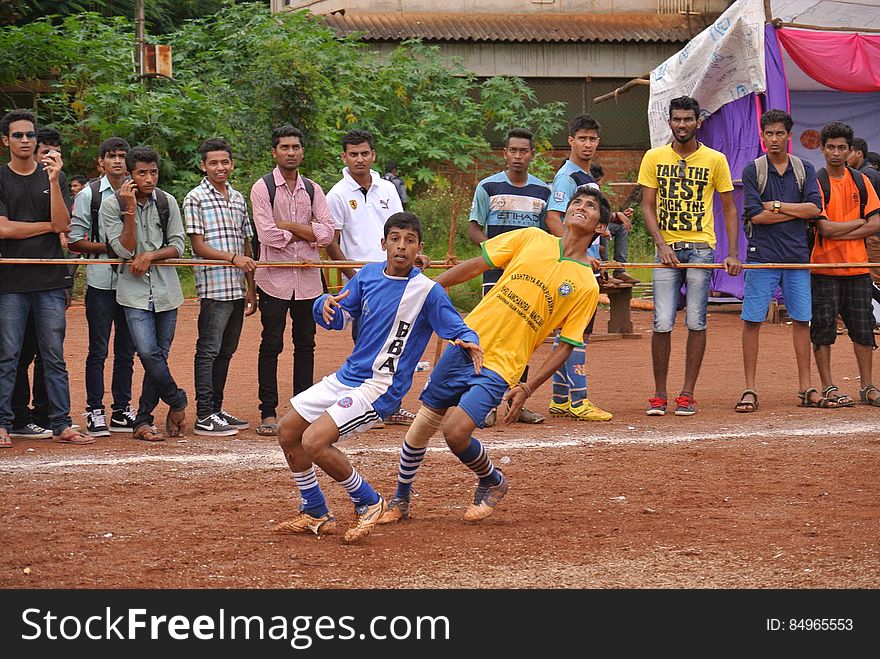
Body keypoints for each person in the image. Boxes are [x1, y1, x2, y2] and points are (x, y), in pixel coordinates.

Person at [379, 186, 608, 525]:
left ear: (600, 227)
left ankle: (491, 479)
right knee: (424, 424)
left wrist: (528, 388)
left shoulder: (586, 284)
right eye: (577, 202)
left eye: (590, 206)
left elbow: (565, 346)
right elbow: (477, 265)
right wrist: (426, 288)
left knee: (456, 432)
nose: (581, 207)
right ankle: (400, 499)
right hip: (467, 342)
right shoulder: (532, 238)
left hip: (503, 364)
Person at [272, 212, 481, 543]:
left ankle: (368, 501)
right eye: (395, 239)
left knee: (314, 441)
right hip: (348, 376)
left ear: (419, 248)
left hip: (380, 387)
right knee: (288, 431)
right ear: (383, 244)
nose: (401, 247)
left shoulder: (427, 291)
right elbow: (338, 316)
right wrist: (323, 305)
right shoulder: (367, 275)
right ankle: (314, 510)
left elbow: (458, 328)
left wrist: (470, 340)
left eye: (409, 241)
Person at [638, 95, 742, 417]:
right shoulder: (654, 157)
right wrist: (661, 245)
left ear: (698, 122)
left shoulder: (715, 160)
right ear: (669, 122)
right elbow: (647, 206)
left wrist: (733, 253)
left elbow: (728, 207)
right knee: (662, 321)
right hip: (666, 250)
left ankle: (687, 394)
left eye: (688, 119)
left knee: (696, 321)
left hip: (700, 248)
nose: (682, 125)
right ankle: (659, 394)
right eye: (676, 119)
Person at [0, 110, 91, 447]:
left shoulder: (55, 177)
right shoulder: (0, 178)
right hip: (9, 283)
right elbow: (3, 228)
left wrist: (53, 182)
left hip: (50, 281)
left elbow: (64, 224)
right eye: (18, 135)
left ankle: (62, 423)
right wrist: (46, 227)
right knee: (8, 355)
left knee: (53, 355)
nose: (25, 140)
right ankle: (3, 423)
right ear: (6, 141)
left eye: (30, 135)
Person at [326, 129, 419, 427]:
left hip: (396, 277)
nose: (359, 159)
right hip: (362, 280)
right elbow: (332, 242)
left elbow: (402, 229)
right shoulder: (337, 194)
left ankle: (391, 406)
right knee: (366, 344)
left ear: (373, 155)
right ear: (344, 157)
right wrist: (357, 278)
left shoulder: (388, 189)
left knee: (397, 343)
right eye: (353, 154)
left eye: (364, 153)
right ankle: (362, 405)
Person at [251, 125, 335, 438]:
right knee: (271, 343)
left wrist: (288, 225)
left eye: (296, 147)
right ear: (274, 152)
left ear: (302, 151)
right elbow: (267, 236)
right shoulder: (262, 188)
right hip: (274, 278)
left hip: (309, 280)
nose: (291, 152)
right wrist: (305, 230)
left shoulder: (313, 189)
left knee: (306, 344)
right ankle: (268, 411)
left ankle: (304, 410)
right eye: (284, 147)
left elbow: (327, 234)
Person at [737, 109, 823, 412]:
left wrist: (775, 205)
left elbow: (815, 209)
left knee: (802, 321)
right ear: (762, 137)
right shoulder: (754, 170)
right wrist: (793, 210)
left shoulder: (804, 168)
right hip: (762, 257)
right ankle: (749, 388)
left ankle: (805, 386)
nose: (773, 139)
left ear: (789, 135)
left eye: (779, 133)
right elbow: (754, 216)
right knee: (752, 321)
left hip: (797, 257)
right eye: (768, 134)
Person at [101, 146, 188, 442]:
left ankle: (143, 420)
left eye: (153, 172)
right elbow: (124, 250)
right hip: (134, 293)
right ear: (129, 174)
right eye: (142, 173)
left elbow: (178, 245)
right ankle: (177, 400)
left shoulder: (167, 202)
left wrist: (150, 255)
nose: (149, 179)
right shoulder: (112, 205)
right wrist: (128, 210)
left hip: (167, 291)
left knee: (158, 356)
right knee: (148, 353)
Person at [466, 127, 549, 426]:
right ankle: (485, 405)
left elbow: (547, 232)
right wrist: (494, 249)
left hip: (528, 276)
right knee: (492, 334)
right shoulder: (487, 187)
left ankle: (516, 401)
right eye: (512, 150)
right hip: (495, 273)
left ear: (532, 155)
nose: (517, 156)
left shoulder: (544, 191)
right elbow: (474, 226)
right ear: (505, 153)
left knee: (522, 336)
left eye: (523, 151)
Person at [185, 138, 257, 436]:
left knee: (226, 350)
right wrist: (233, 259)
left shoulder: (238, 198)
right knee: (208, 350)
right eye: (213, 162)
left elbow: (247, 243)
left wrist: (252, 288)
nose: (220, 167)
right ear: (203, 165)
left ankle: (216, 408)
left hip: (237, 288)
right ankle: (204, 414)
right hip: (213, 287)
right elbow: (198, 245)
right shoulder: (195, 198)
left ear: (232, 164)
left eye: (224, 162)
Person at [68, 137, 138, 436]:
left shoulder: (137, 191)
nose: (118, 161)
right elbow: (74, 240)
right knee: (98, 349)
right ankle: (94, 410)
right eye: (112, 156)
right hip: (100, 281)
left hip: (131, 282)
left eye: (123, 156)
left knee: (127, 349)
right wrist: (110, 248)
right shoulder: (89, 194)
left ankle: (121, 409)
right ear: (101, 162)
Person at [544, 114, 612, 422]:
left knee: (566, 331)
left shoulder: (586, 176)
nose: (587, 144)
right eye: (581, 138)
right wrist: (577, 253)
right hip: (575, 266)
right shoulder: (567, 176)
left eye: (592, 139)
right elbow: (553, 218)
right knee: (576, 332)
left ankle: (560, 399)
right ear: (571, 141)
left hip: (584, 261)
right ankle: (579, 400)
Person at [810, 121, 880, 407]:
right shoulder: (816, 181)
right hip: (824, 268)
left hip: (858, 268)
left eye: (841, 148)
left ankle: (868, 386)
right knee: (823, 329)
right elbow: (823, 229)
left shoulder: (861, 181)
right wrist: (858, 224)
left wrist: (842, 228)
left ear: (851, 151)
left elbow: (877, 221)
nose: (836, 153)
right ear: (822, 149)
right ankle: (828, 386)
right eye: (830, 147)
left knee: (864, 329)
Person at [848, 137, 880, 288]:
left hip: (873, 235)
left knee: (876, 279)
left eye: (849, 152)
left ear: (859, 153)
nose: (845, 156)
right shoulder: (865, 172)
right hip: (870, 233)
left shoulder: (867, 175)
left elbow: (865, 207)